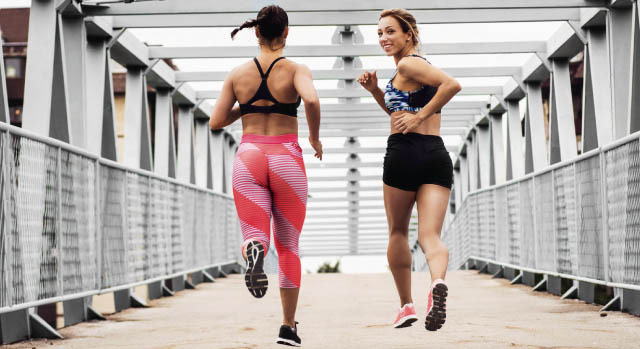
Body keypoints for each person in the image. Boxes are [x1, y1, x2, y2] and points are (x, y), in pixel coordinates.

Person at [209, 5, 322, 346]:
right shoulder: (296, 69)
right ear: (286, 32)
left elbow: (216, 121)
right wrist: (314, 138)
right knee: (288, 246)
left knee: (254, 233)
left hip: (249, 156)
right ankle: (288, 326)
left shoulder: (238, 74)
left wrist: (247, 108)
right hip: (285, 156)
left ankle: (254, 248)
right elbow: (312, 101)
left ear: (256, 32)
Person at [357, 8, 461, 332]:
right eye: (379, 34)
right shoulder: (413, 70)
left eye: (390, 32)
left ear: (408, 35)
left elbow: (452, 85)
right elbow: (398, 108)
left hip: (404, 151)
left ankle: (406, 305)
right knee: (430, 236)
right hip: (435, 152)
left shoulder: (407, 63)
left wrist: (417, 118)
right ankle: (438, 283)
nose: (383, 39)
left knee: (398, 231)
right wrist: (376, 91)